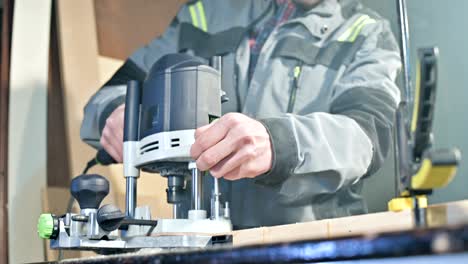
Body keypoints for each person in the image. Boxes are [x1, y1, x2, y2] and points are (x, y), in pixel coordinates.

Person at [81, 0, 401, 228]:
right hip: (205, 240)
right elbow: (109, 95)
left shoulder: (366, 33)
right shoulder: (204, 13)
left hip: (312, 243)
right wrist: (114, 113)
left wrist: (279, 144)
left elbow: (367, 137)